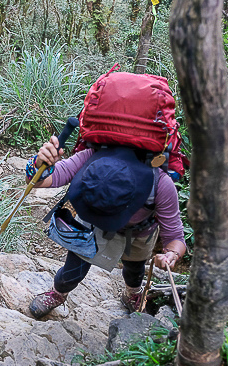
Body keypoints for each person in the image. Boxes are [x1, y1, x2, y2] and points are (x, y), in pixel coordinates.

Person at [25, 135, 187, 319]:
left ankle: (132, 293)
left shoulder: (160, 184)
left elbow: (174, 235)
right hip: (93, 226)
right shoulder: (91, 156)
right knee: (72, 270)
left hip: (139, 233)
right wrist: (39, 165)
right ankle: (58, 292)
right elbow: (40, 181)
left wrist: (171, 254)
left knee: (134, 270)